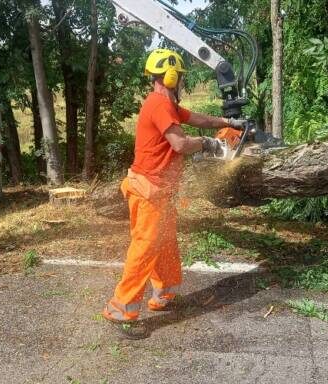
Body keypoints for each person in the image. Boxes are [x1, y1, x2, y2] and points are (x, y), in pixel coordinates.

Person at [101, 49, 245, 339]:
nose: (180, 83)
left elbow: (198, 118)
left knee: (165, 244)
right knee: (144, 249)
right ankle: (120, 309)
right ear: (171, 76)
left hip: (161, 192)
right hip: (149, 192)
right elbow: (179, 144)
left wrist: (229, 123)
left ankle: (163, 294)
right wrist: (208, 145)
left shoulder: (166, 103)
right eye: (179, 77)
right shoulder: (158, 105)